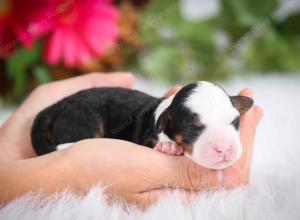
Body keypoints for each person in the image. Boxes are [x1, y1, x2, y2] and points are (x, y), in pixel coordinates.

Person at [0, 72, 263, 208]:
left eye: (231, 122)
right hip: (88, 112)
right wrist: (57, 170)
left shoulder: (171, 119)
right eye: (196, 129)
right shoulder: (157, 126)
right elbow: (145, 144)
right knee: (84, 123)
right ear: (166, 124)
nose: (223, 145)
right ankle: (58, 147)